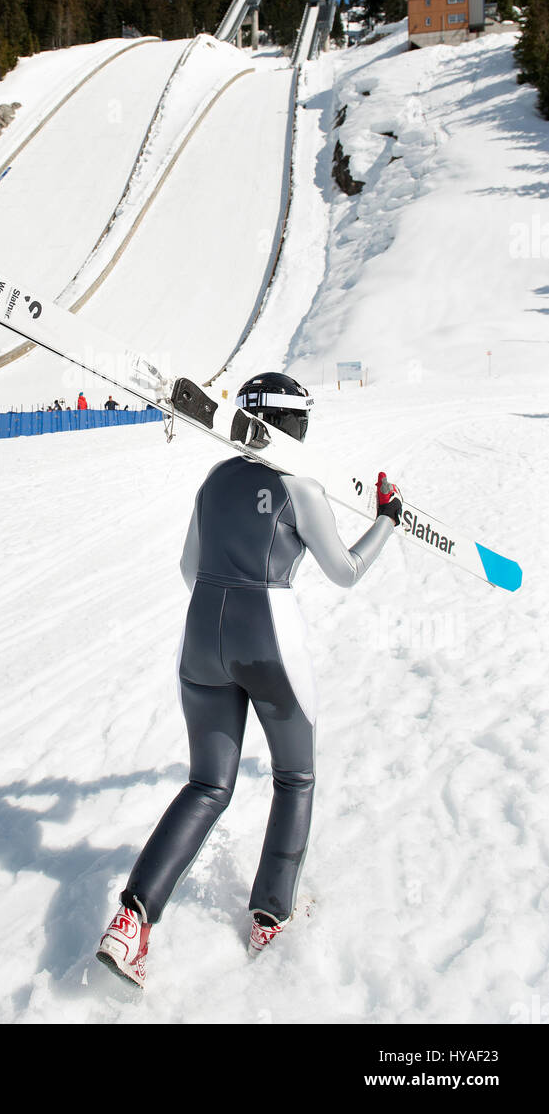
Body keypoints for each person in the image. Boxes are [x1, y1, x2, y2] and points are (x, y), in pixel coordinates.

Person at [96, 372, 402, 990]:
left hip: (201, 637)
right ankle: (271, 910)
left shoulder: (212, 481)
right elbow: (344, 572)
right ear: (293, 425)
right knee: (296, 776)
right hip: (270, 640)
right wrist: (388, 520)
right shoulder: (300, 488)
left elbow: (188, 567)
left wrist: (224, 599)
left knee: (207, 784)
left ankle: (132, 921)